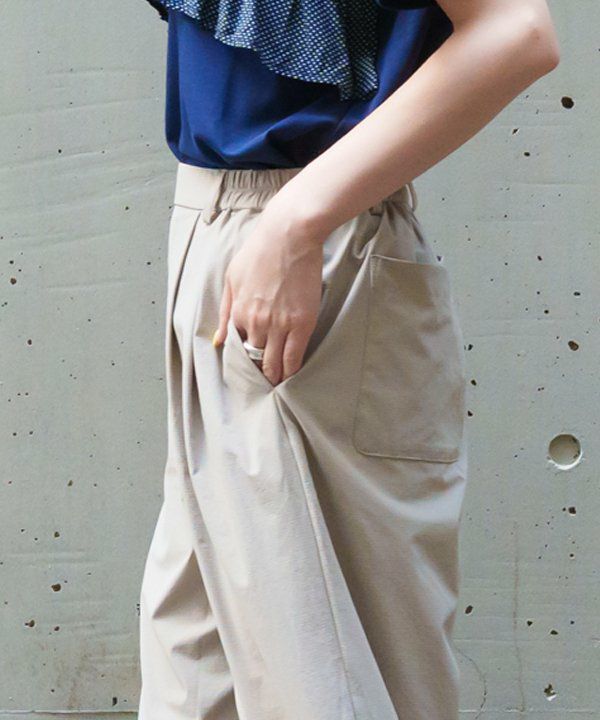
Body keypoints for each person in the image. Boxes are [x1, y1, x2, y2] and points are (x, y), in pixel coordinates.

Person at [137, 1, 560, 719]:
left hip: (309, 255)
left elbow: (517, 30)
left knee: (324, 682)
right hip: (224, 238)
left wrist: (295, 221)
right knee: (198, 681)